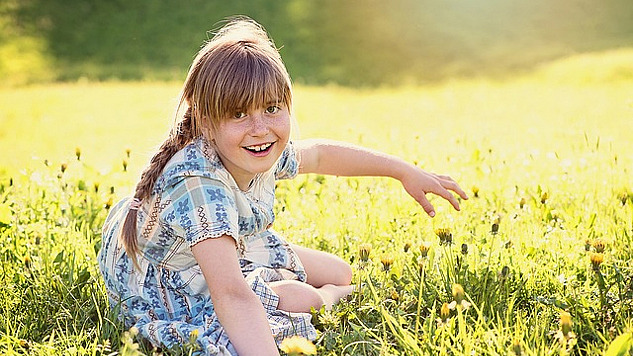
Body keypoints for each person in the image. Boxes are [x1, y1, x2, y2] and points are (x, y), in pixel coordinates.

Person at [97, 17, 468, 356]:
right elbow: (230, 294)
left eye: (272, 108)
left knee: (341, 270)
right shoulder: (200, 187)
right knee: (298, 297)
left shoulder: (253, 149)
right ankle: (329, 299)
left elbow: (321, 155)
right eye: (239, 114)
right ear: (207, 123)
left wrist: (403, 171)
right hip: (171, 279)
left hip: (217, 245)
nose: (260, 128)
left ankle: (330, 290)